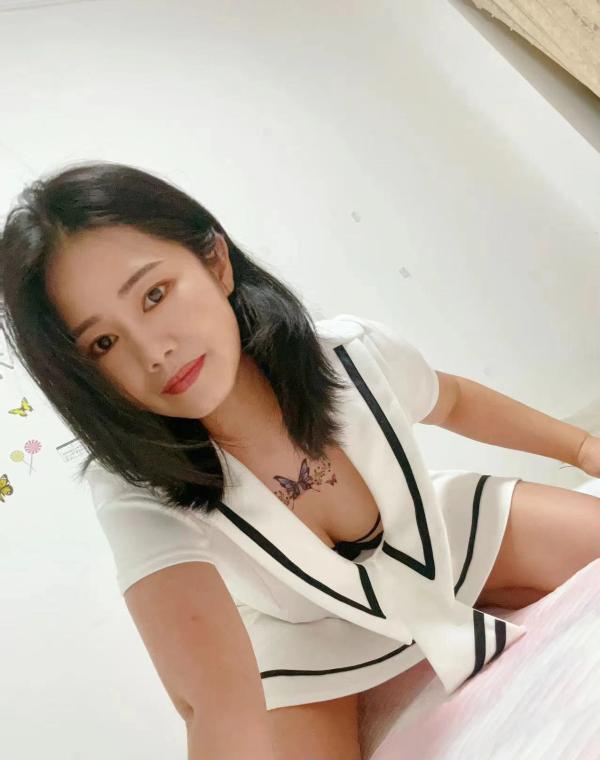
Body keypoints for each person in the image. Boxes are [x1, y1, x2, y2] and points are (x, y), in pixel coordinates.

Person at [1, 161, 599, 760]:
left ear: (215, 261)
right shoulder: (136, 491)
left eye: (154, 295)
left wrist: (579, 448)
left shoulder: (349, 354)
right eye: (103, 343)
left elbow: (454, 401)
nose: (152, 351)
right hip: (302, 636)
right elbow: (209, 700)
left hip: (440, 538)